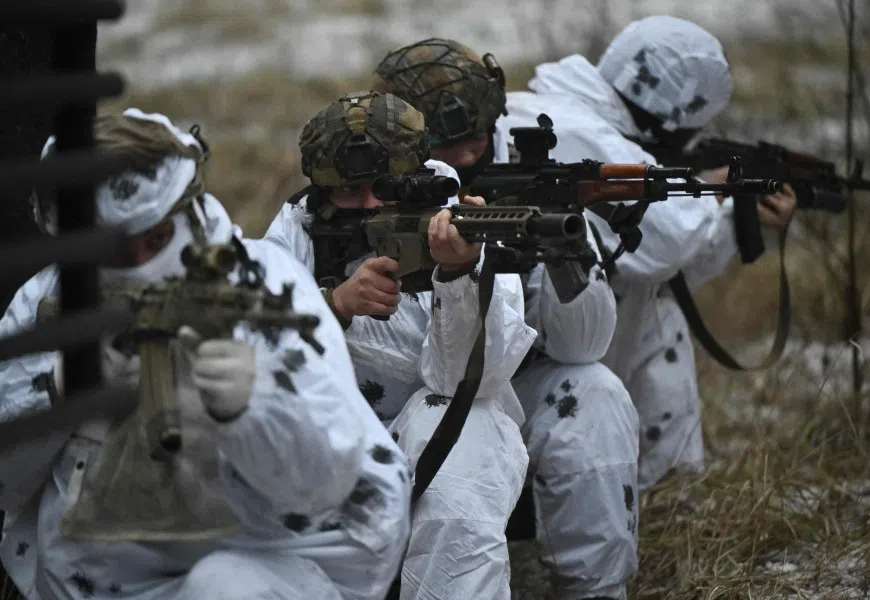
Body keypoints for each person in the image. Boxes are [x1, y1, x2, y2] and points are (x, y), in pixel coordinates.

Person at [0, 108, 411, 600]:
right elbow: (8, 481)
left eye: (155, 239)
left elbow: (329, 480)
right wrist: (54, 388)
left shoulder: (266, 290)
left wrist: (252, 408)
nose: (139, 266)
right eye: (113, 249)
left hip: (259, 566)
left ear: (187, 212)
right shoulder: (48, 303)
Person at [372, 39, 641, 600]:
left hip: (509, 387)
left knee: (594, 392)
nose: (470, 157)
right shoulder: (365, 198)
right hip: (400, 403)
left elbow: (582, 346)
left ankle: (596, 588)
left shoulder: (534, 194)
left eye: (480, 136)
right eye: (449, 144)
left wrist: (565, 255)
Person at [498, 15, 797, 491]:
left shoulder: (542, 105)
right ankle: (668, 492)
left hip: (507, 339)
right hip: (524, 364)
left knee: (655, 307)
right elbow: (666, 245)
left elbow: (654, 263)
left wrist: (729, 214)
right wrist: (712, 191)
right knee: (660, 323)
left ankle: (662, 491)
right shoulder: (586, 132)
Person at [263, 90, 537, 600]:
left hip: (431, 445)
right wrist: (333, 306)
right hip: (325, 457)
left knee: (466, 432)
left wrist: (457, 273)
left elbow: (468, 382)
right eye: (350, 193)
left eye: (383, 188)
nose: (369, 204)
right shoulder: (296, 233)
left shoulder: (462, 222)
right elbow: (248, 349)